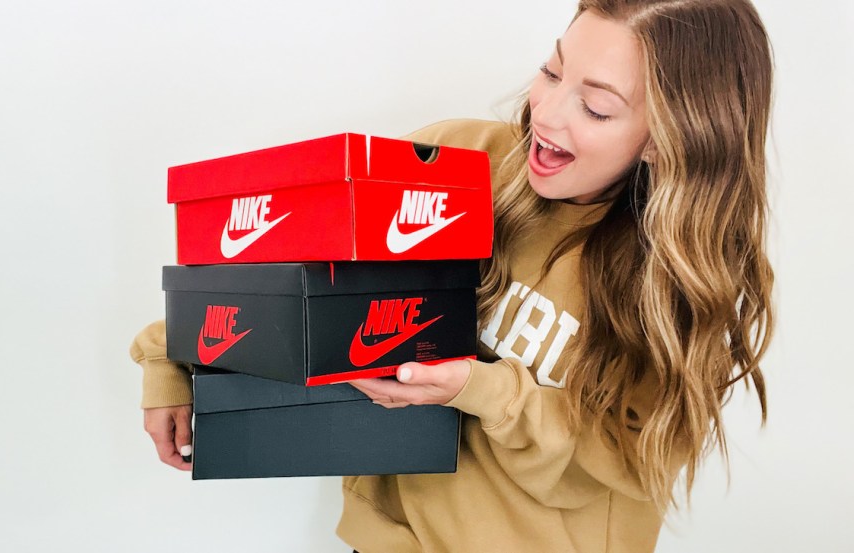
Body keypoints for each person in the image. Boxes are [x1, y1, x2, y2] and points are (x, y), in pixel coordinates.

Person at [130, 0, 775, 551]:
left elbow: (625, 462)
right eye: (551, 71)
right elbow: (299, 271)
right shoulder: (463, 160)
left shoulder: (677, 277)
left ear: (670, 136)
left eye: (597, 107)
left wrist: (481, 390)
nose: (546, 114)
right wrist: (170, 356)